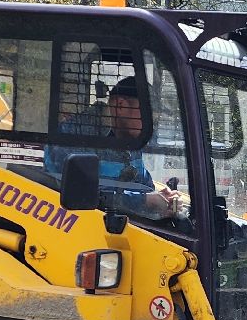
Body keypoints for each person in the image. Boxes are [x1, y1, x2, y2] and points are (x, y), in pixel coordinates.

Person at [44, 76, 184, 219]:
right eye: (147, 116)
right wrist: (145, 201)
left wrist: (162, 198)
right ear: (121, 106)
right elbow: (82, 196)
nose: (151, 125)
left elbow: (143, 185)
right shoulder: (75, 136)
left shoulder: (131, 142)